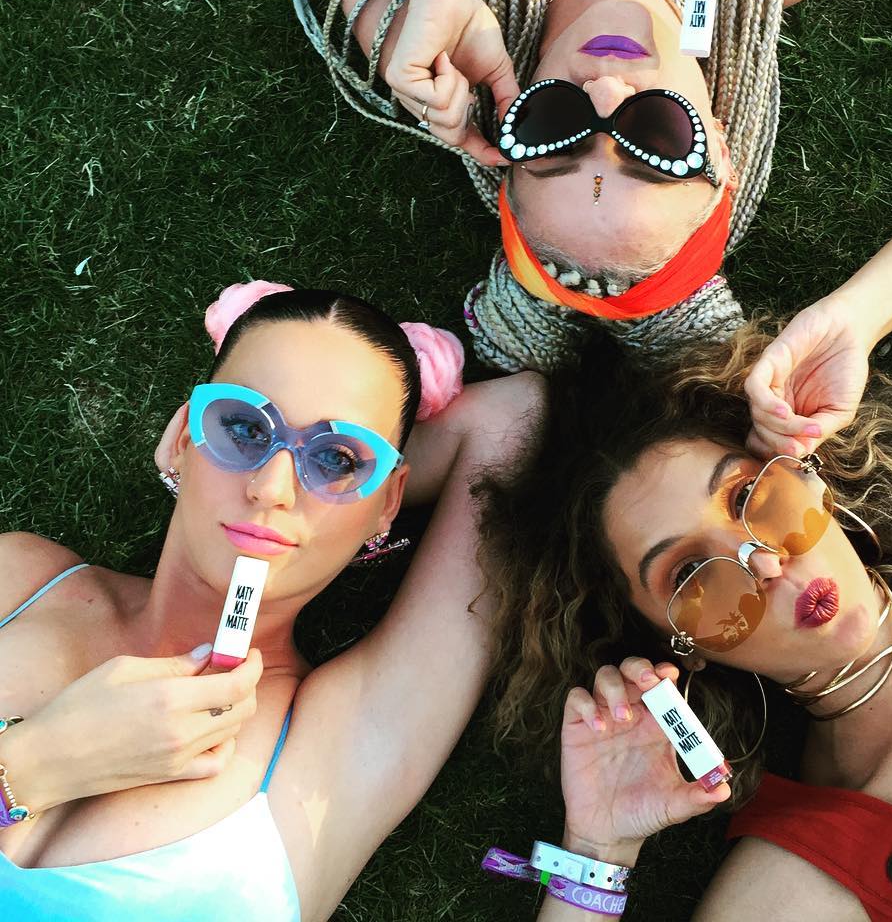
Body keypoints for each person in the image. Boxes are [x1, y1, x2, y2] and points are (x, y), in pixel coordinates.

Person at [476, 166, 892, 918]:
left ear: (811, 476)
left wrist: (848, 326)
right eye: (691, 575)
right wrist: (598, 850)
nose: (763, 561)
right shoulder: (806, 872)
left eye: (747, 497)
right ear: (681, 649)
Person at [0, 283, 540, 920]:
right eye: (242, 428)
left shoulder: (344, 740)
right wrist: (36, 766)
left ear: (391, 500)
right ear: (182, 437)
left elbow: (515, 418)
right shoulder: (21, 579)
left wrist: (365, 475)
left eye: (336, 459)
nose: (273, 488)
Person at [283, 0, 871, 370]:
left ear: (507, 135)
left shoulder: (424, 31)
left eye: (555, 125)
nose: (606, 90)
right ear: (721, 145)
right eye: (657, 135)